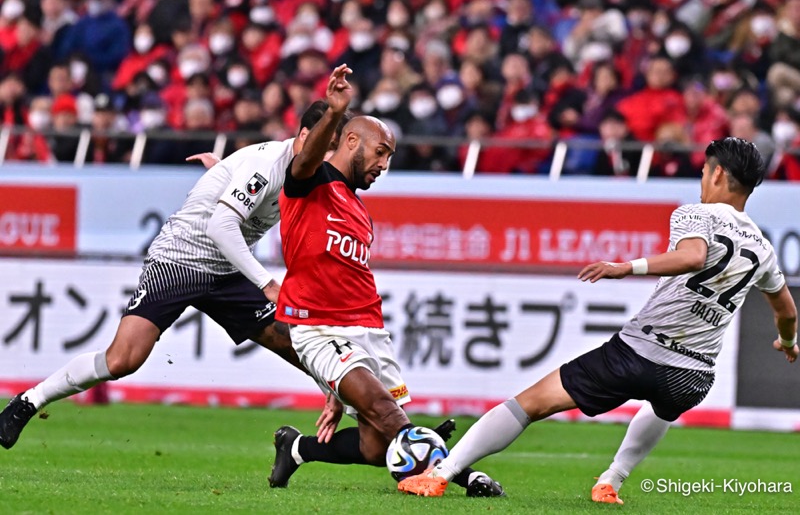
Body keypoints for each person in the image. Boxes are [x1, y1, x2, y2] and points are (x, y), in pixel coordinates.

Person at [398, 137, 798, 501]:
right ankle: (611, 481)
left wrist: (628, 266)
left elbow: (692, 257)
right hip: (693, 375)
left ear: (718, 173)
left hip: (640, 352)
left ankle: (442, 472)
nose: (701, 180)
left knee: (530, 404)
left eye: (703, 171)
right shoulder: (762, 248)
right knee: (662, 409)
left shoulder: (697, 214)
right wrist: (788, 342)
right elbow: (786, 310)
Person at [0, 75, 350, 451]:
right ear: (302, 137)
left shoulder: (299, 173)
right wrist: (266, 282)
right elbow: (221, 225)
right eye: (325, 146)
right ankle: (27, 402)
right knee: (123, 360)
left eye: (334, 150)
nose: (328, 158)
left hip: (226, 271)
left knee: (295, 343)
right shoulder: (268, 165)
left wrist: (222, 170)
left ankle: (351, 404)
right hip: (179, 260)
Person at [266, 64, 503, 497]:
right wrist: (334, 113)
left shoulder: (358, 210)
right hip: (318, 329)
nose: (383, 165)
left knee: (377, 445)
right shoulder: (310, 183)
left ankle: (296, 448)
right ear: (351, 141)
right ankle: (462, 477)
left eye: (389, 158)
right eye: (380, 152)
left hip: (369, 330)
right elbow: (303, 161)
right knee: (387, 414)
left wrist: (335, 390)